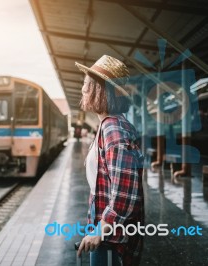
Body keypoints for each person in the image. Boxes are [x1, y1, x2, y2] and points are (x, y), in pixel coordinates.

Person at [75, 55, 145, 266]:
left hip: (112, 240)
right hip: (108, 236)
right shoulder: (108, 126)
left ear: (101, 90)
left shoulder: (113, 129)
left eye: (87, 84)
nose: (82, 90)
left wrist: (100, 229)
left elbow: (125, 194)